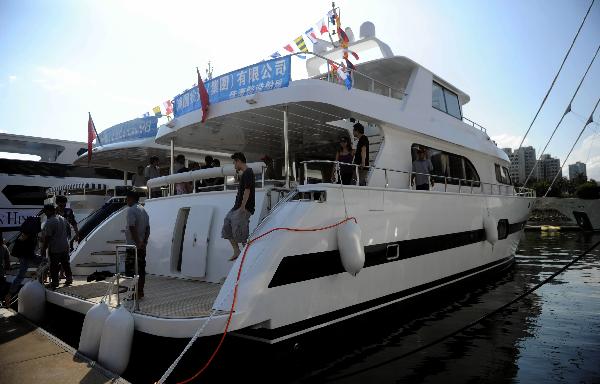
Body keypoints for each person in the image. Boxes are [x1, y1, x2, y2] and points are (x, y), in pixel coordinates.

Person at [221, 152, 255, 261]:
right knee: (227, 223)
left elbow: (248, 190)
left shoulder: (248, 172)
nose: (234, 165)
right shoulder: (244, 173)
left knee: (240, 229)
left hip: (243, 207)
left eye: (234, 162)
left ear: (238, 161)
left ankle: (247, 252)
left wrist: (243, 207)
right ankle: (237, 251)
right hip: (236, 207)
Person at [124, 190, 150, 299]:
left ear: (131, 198)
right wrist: (144, 242)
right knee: (141, 270)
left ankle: (135, 293)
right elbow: (148, 228)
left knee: (133, 271)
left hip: (133, 247)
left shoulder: (131, 210)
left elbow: (132, 227)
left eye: (127, 198)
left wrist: (138, 243)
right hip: (141, 246)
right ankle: (140, 292)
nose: (126, 200)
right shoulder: (143, 210)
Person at [41, 204, 72, 289]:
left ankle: (55, 282)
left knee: (54, 266)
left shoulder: (50, 221)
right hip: (65, 246)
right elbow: (69, 231)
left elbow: (48, 237)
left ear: (50, 211)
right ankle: (69, 279)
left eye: (46, 211)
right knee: (66, 263)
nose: (45, 213)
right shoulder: (62, 218)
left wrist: (44, 248)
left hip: (55, 248)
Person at [352, 121, 369, 186]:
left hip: (361, 167)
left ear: (357, 131)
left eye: (353, 130)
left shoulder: (363, 138)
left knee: (358, 183)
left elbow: (363, 149)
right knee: (356, 183)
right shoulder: (361, 140)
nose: (353, 132)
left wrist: (363, 162)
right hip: (358, 167)